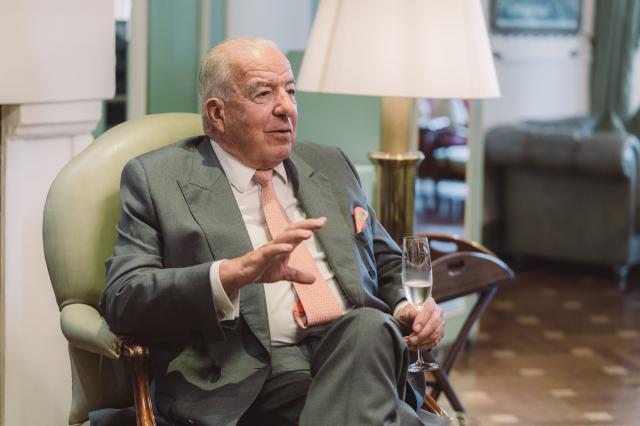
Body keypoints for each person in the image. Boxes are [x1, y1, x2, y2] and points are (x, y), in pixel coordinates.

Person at [100, 37, 445, 426]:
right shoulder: (158, 179)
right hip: (250, 375)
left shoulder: (330, 164)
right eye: (263, 93)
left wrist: (408, 307)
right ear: (217, 114)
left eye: (290, 91)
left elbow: (386, 260)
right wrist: (233, 274)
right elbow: (123, 299)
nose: (286, 108)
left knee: (368, 325)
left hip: (362, 350)